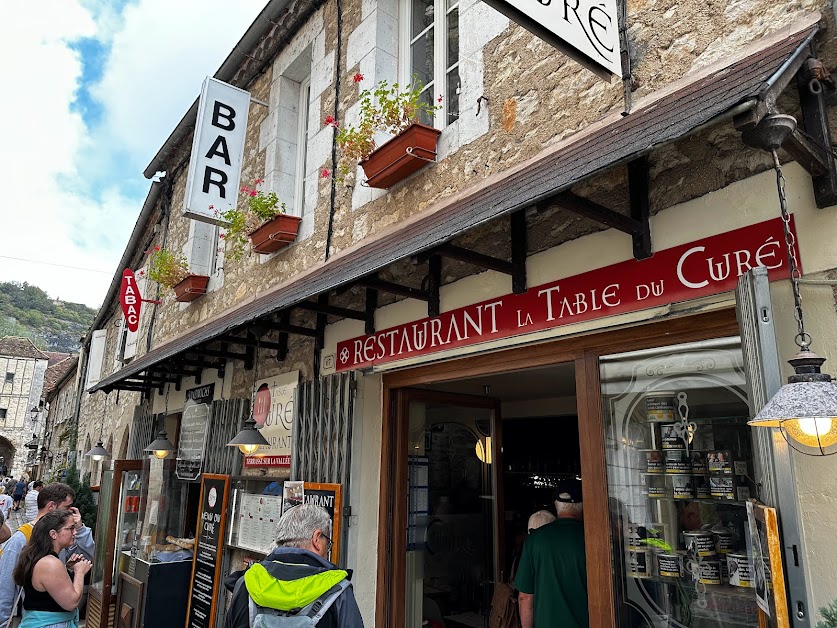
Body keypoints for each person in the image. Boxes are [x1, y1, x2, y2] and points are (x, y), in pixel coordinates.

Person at [224, 504, 363, 628]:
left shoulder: (247, 583)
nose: (328, 550)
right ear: (316, 538)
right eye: (328, 544)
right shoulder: (339, 592)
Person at [0, 483, 95, 627]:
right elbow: (5, 586)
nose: (72, 512)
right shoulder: (21, 539)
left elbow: (88, 558)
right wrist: (3, 622)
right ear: (51, 506)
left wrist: (80, 529)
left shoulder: (63, 538)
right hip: (31, 617)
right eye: (67, 507)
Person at [515, 482, 588, 628]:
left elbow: (525, 597)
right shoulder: (593, 538)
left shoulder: (535, 540)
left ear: (556, 504)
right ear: (583, 504)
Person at [12, 510, 92, 628]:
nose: (75, 532)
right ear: (53, 534)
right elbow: (71, 602)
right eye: (70, 528)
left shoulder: (43, 559)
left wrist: (66, 569)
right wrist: (79, 572)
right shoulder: (50, 564)